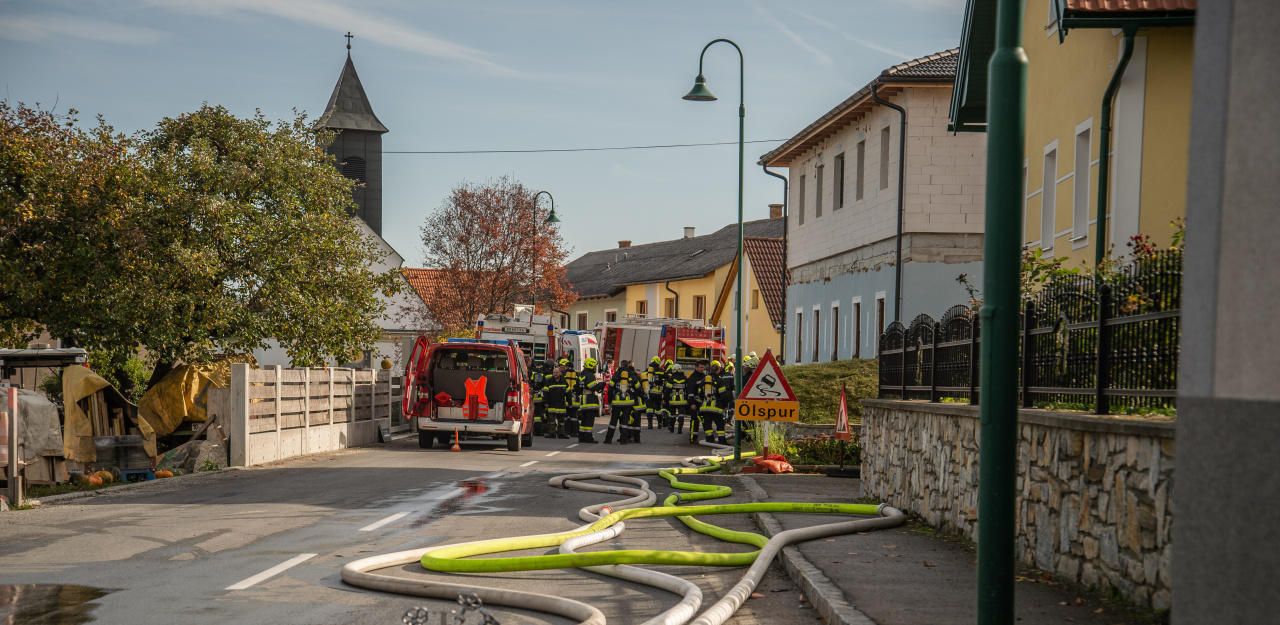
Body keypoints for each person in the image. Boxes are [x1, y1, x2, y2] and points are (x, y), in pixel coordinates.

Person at [605, 364, 639, 444]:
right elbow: (638, 388)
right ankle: (624, 440)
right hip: (628, 403)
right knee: (625, 422)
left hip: (616, 403)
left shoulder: (616, 375)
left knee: (613, 422)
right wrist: (633, 397)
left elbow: (610, 389)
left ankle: (608, 440)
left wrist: (610, 401)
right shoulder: (631, 375)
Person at [577, 357, 602, 443]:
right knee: (589, 420)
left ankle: (582, 436)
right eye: (594, 366)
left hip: (583, 399)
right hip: (589, 400)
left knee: (584, 420)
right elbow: (592, 387)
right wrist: (601, 384)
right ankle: (588, 438)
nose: (595, 368)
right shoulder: (590, 375)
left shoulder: (581, 374)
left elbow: (577, 388)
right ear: (590, 366)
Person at [541, 366, 569, 439]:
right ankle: (551, 433)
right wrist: (546, 402)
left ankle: (561, 434)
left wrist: (570, 402)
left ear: (560, 373)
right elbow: (545, 393)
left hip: (561, 404)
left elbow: (568, 392)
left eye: (556, 372)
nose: (555, 374)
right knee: (551, 421)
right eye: (554, 372)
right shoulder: (549, 381)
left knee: (562, 421)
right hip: (552, 404)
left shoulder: (564, 381)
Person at [665, 363, 691, 434]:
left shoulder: (671, 379)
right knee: (681, 415)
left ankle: (672, 428)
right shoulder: (685, 378)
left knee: (672, 415)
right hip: (682, 400)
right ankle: (680, 430)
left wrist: (665, 399)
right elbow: (688, 389)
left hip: (673, 400)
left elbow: (667, 390)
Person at [643, 356, 665, 430]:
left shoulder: (648, 370)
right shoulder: (661, 370)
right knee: (658, 409)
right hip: (658, 393)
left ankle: (650, 424)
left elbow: (643, 379)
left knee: (649, 408)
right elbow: (665, 380)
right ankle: (659, 424)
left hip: (649, 392)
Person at [561, 358, 580, 441]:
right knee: (574, 417)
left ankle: (567, 431)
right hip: (575, 398)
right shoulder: (577, 374)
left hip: (566, 398)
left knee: (566, 417)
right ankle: (575, 432)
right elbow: (579, 385)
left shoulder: (563, 374)